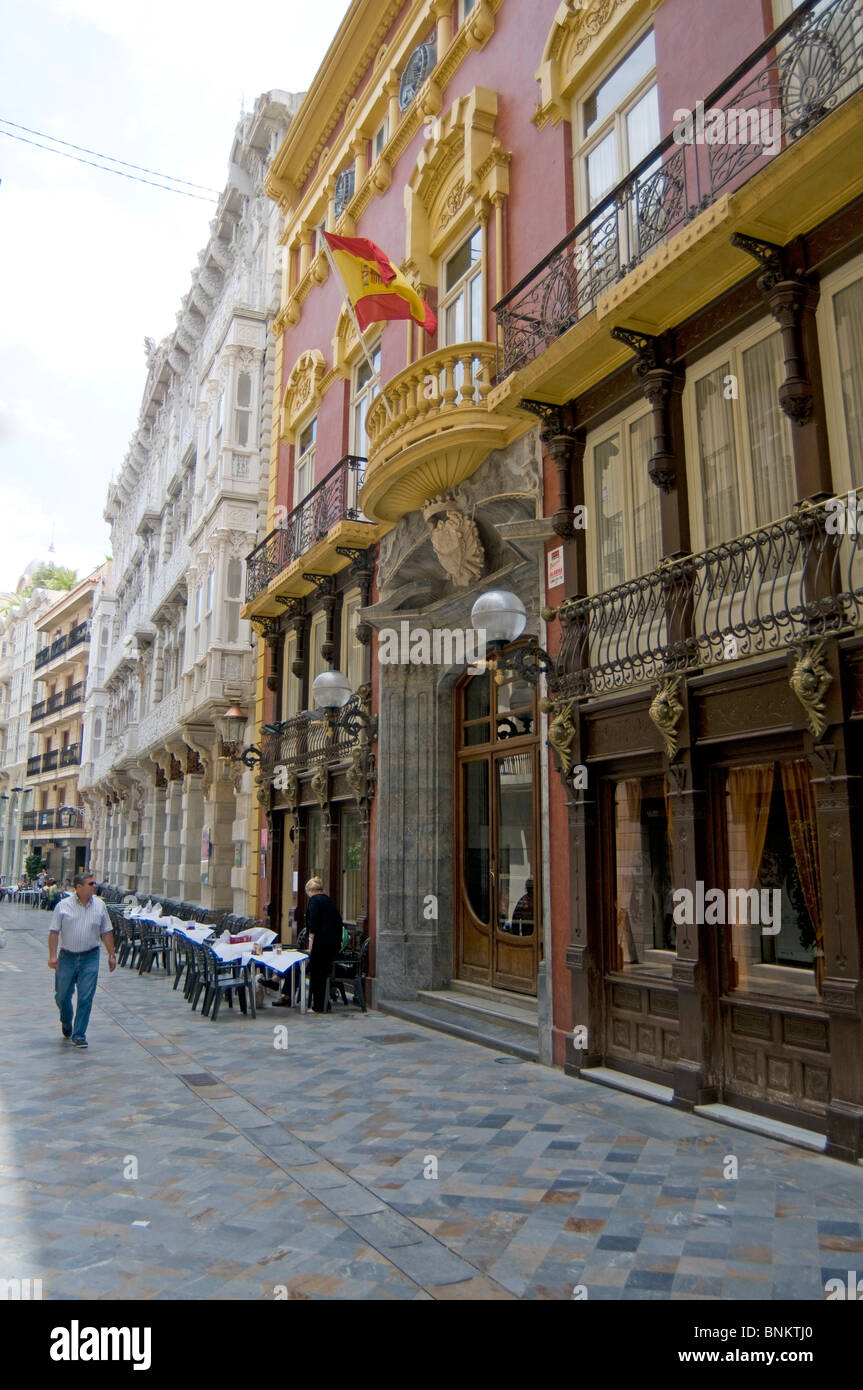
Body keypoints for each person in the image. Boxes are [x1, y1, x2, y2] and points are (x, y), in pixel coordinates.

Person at [48, 871, 116, 1049]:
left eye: (94, 883)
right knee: (62, 996)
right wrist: (52, 956)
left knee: (86, 996)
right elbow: (54, 932)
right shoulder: (63, 906)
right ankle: (66, 1020)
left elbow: (106, 931)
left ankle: (79, 1034)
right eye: (91, 884)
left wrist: (111, 954)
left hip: (90, 956)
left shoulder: (100, 906)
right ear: (79, 887)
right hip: (67, 956)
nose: (95, 886)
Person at [304, 876, 343, 1014]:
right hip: (333, 945)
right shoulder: (328, 900)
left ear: (309, 890)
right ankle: (325, 1003)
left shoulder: (314, 901)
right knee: (322, 974)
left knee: (317, 974)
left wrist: (311, 942)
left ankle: (319, 1006)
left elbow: (313, 922)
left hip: (321, 944)